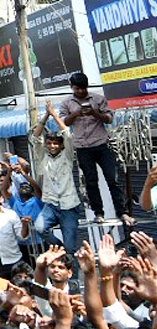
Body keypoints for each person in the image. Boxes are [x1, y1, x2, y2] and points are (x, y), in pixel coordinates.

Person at [59, 72, 130, 224]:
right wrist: (76, 114)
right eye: (77, 89)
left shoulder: (98, 99)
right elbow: (64, 122)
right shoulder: (66, 103)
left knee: (113, 179)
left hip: (102, 145)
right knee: (91, 182)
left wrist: (94, 113)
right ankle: (99, 213)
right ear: (72, 88)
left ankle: (122, 212)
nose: (81, 92)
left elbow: (109, 118)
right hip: (83, 148)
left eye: (83, 88)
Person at [25, 100, 84, 249]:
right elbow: (34, 138)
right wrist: (45, 116)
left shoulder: (67, 155)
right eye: (49, 143)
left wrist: (54, 115)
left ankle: (69, 257)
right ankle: (60, 249)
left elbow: (67, 134)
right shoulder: (43, 156)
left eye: (56, 143)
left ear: (61, 145)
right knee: (39, 228)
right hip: (50, 205)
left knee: (71, 248)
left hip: (69, 206)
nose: (52, 146)